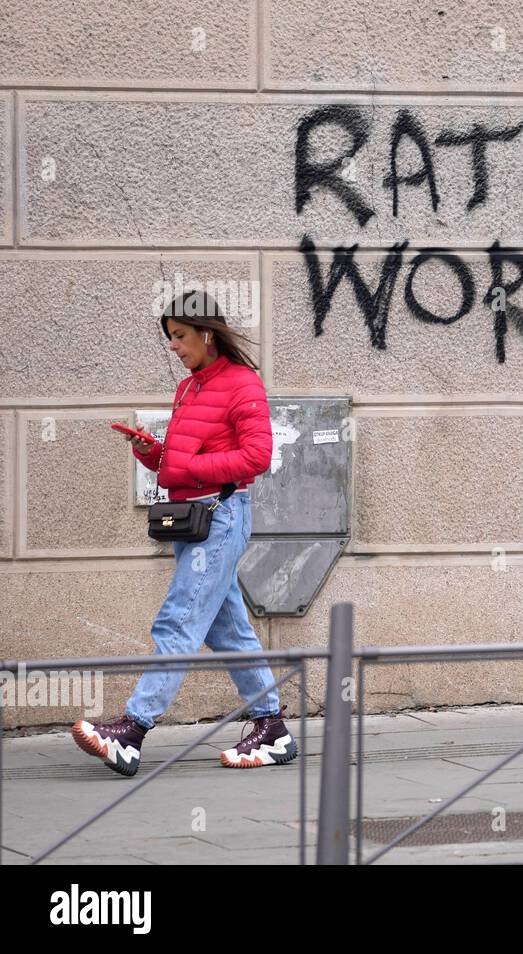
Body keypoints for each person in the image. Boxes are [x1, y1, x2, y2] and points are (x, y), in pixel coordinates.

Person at [71, 290, 297, 776]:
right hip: (192, 520)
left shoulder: (242, 384)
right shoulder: (191, 386)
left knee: (177, 622)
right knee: (229, 631)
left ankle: (131, 732)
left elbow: (256, 458)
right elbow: (182, 461)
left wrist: (186, 465)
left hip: (220, 517)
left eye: (179, 336)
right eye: (169, 337)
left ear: (206, 333)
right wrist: (154, 453)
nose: (173, 346)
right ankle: (272, 729)